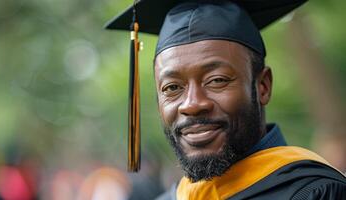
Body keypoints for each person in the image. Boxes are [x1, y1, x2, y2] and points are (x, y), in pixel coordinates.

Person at [105, 0, 346, 199]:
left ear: (262, 86)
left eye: (217, 80)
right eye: (172, 87)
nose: (192, 103)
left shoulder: (316, 193)